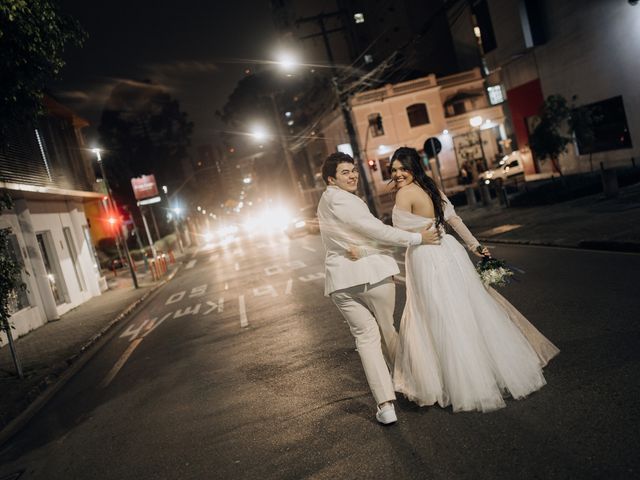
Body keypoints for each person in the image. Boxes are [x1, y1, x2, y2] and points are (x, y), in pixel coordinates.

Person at [352, 147, 559, 413]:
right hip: (450, 251)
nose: (398, 174)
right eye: (394, 170)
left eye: (403, 168)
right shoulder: (432, 188)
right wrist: (474, 246)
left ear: (414, 167)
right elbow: (454, 220)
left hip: (426, 257)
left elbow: (393, 235)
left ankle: (454, 379)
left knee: (436, 315)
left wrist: (366, 249)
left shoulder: (405, 193)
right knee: (465, 309)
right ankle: (485, 370)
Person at [317, 152, 441, 425]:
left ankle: (385, 405)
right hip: (372, 275)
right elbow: (378, 231)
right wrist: (417, 238)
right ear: (331, 179)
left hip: (340, 283)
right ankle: (413, 388)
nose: (352, 176)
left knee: (366, 339)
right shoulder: (346, 201)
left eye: (353, 171)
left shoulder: (325, 201)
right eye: (345, 173)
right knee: (387, 331)